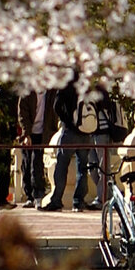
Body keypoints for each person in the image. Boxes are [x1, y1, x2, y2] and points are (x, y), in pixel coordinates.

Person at [43, 78, 88, 210]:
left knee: (61, 166)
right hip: (85, 131)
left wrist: (67, 121)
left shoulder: (65, 85)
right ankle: (78, 201)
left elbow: (57, 106)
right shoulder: (86, 84)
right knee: (83, 168)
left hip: (70, 132)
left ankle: (57, 200)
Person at [16, 86, 55, 207]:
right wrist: (26, 134)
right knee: (27, 164)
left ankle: (38, 194)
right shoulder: (27, 91)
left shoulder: (51, 93)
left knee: (37, 164)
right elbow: (22, 113)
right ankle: (29, 196)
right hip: (29, 133)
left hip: (43, 134)